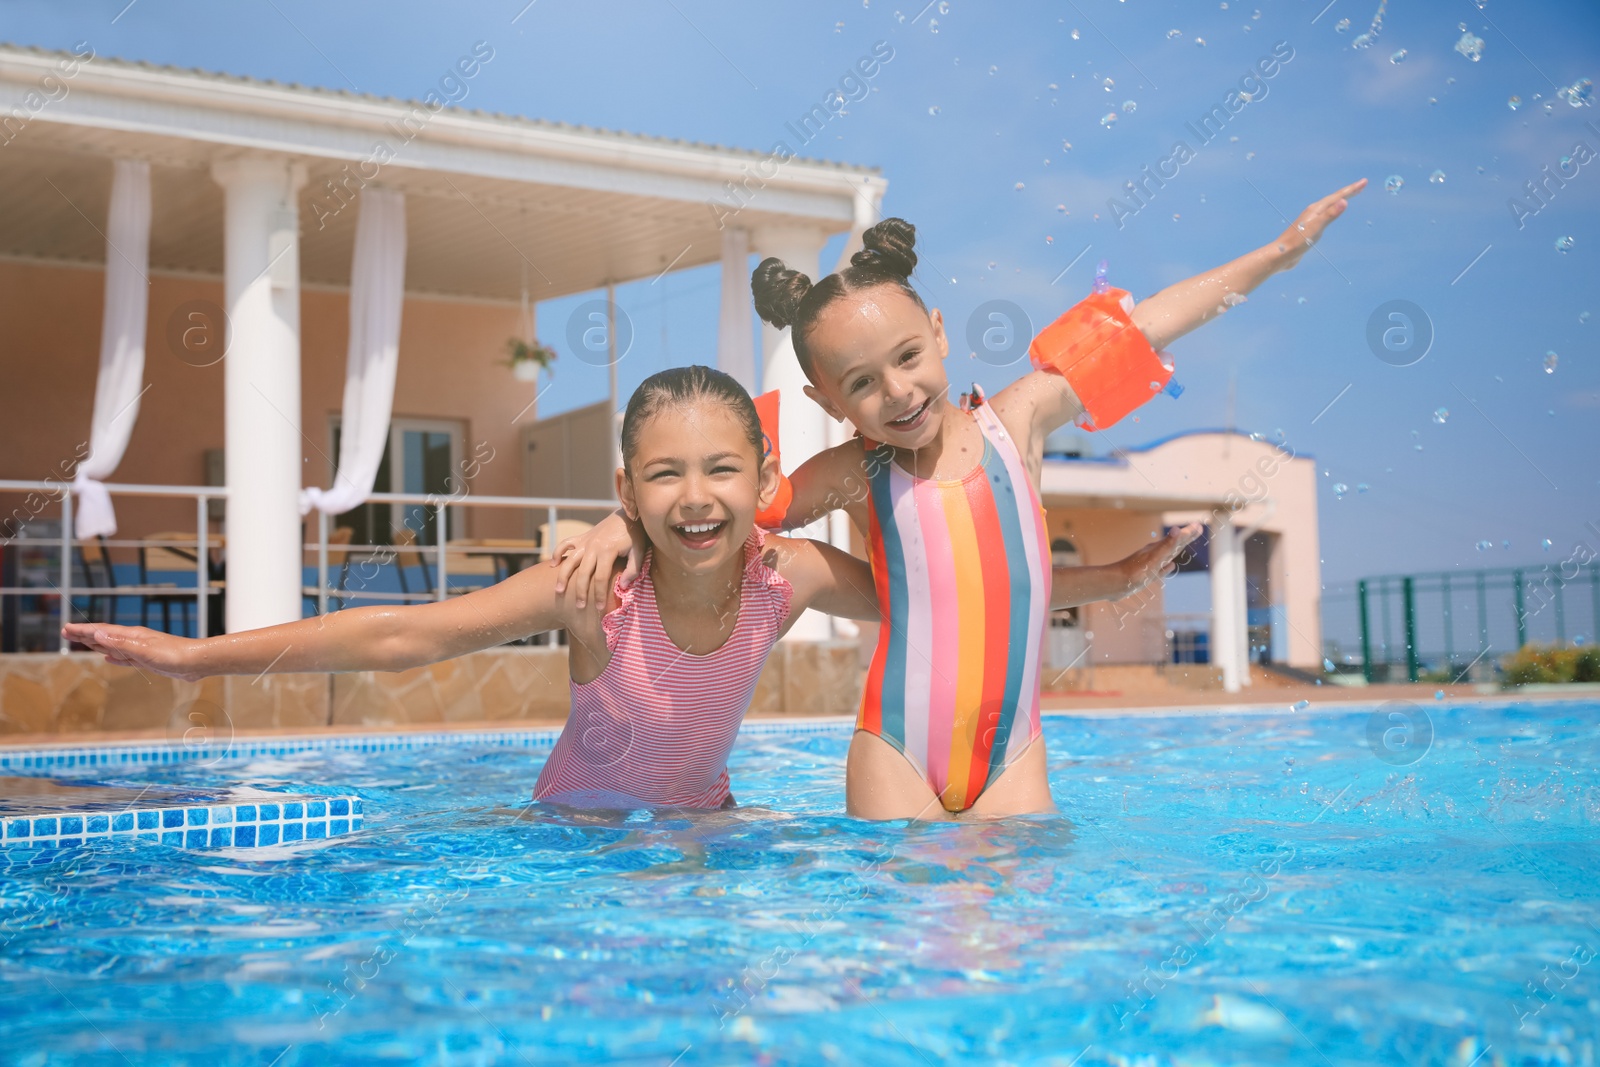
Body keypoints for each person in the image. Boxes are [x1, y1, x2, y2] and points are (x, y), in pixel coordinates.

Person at [560, 180, 1363, 820]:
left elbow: (1149, 324)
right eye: (861, 383)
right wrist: (619, 520)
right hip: (895, 752)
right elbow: (717, 508)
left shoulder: (1020, 419)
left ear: (939, 331)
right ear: (827, 397)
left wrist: (1280, 254)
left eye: (908, 356)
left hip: (1013, 753)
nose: (896, 392)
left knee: (1013, 957)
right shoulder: (853, 470)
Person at [63, 366, 884, 810]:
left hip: (706, 820)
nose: (697, 496)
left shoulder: (788, 577)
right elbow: (405, 636)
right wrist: (197, 657)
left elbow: (919, 594)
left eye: (723, 470)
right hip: (581, 843)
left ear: (764, 476)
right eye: (666, 475)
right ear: (627, 491)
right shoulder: (595, 589)